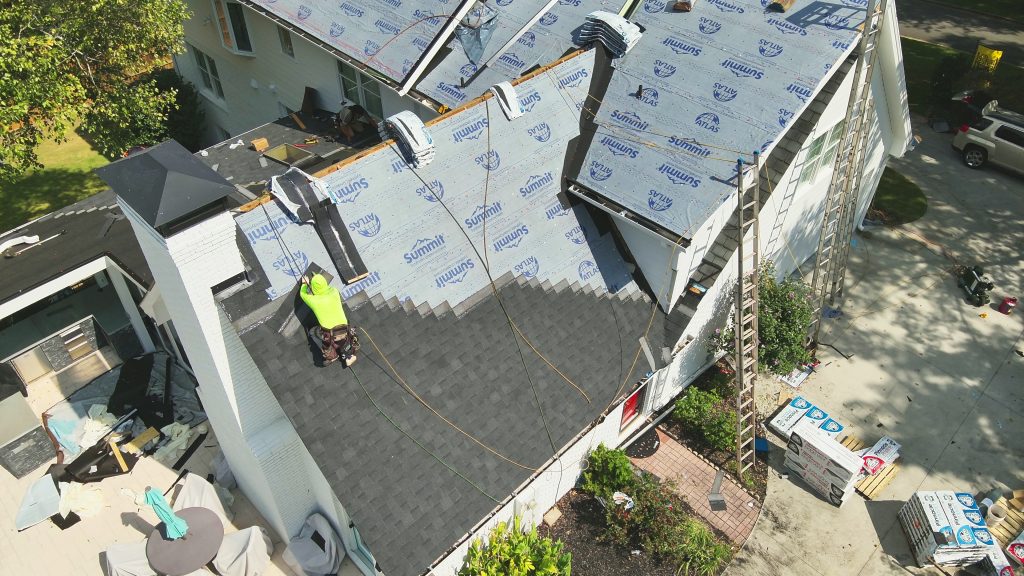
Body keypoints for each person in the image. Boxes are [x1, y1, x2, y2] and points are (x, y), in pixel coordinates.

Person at [299, 274, 358, 366]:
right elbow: (325, 288)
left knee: (312, 332)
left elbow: (302, 294)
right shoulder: (334, 291)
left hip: (330, 332)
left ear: (314, 288)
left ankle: (332, 355)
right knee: (342, 338)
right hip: (344, 328)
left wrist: (304, 284)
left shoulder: (314, 301)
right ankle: (348, 354)